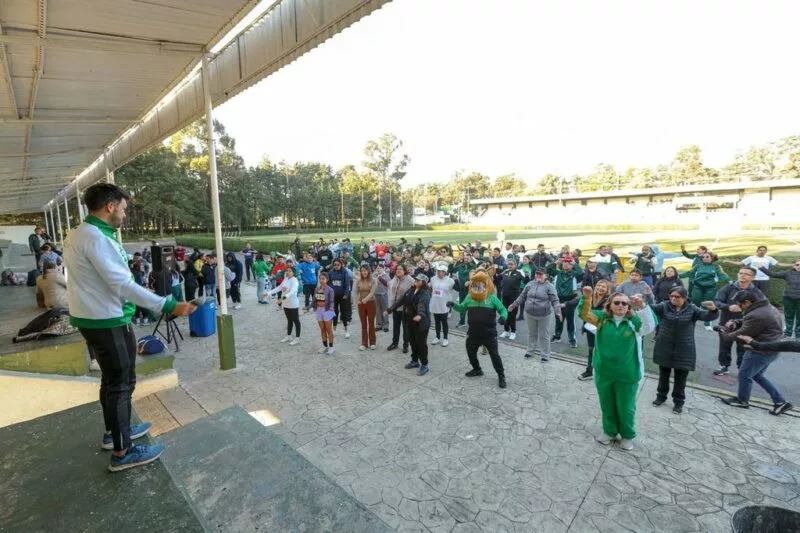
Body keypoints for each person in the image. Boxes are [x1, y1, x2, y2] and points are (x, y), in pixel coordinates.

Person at [63, 183, 195, 472]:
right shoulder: (96, 239)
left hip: (92, 318)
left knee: (111, 381)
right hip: (107, 320)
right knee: (122, 384)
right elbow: (122, 284)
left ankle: (115, 433)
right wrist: (168, 305)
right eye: (123, 208)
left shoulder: (79, 233)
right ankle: (123, 452)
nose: (124, 214)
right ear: (110, 206)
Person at [580, 287, 656, 451]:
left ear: (629, 307)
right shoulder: (601, 319)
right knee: (606, 404)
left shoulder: (634, 321)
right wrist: (586, 298)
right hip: (603, 372)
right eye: (617, 302)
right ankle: (609, 431)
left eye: (625, 303)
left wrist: (642, 306)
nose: (621, 305)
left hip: (627, 374)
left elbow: (648, 327)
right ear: (610, 305)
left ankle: (628, 435)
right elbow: (585, 315)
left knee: (626, 407)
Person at [719, 291, 792, 415]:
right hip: (771, 349)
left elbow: (744, 332)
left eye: (740, 305)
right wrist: (736, 322)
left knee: (744, 375)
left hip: (759, 351)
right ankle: (780, 401)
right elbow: (749, 320)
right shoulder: (766, 307)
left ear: (747, 302)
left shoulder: (758, 314)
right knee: (756, 375)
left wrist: (724, 334)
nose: (739, 307)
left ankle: (742, 401)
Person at [650, 287, 718, 414]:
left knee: (681, 378)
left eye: (677, 296)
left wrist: (713, 309)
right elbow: (650, 308)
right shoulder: (664, 306)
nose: (673, 299)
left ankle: (678, 402)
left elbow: (707, 316)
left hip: (684, 349)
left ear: (685, 297)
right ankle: (661, 397)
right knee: (663, 375)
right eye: (672, 296)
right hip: (665, 346)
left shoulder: (692, 309)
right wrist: (645, 298)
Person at [451, 269, 507, 388]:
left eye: (481, 283)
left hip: (489, 333)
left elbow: (503, 309)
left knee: (494, 355)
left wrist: (503, 317)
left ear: (486, 284)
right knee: (470, 351)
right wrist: (453, 305)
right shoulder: (470, 297)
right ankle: (477, 369)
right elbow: (462, 308)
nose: (478, 286)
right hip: (473, 332)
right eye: (476, 283)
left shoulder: (492, 298)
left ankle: (501, 375)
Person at [713, 267, 764, 376]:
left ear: (753, 277)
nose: (742, 275)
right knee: (724, 347)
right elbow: (717, 301)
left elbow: (762, 308)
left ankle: (741, 369)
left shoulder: (756, 292)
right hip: (726, 323)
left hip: (746, 325)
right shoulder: (728, 288)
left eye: (746, 274)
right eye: (740, 273)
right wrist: (728, 307)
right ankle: (724, 366)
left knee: (742, 349)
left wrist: (747, 309)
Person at [508, 267, 561, 362]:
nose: (538, 276)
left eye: (540, 274)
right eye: (537, 273)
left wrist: (558, 312)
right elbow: (522, 296)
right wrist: (514, 305)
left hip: (544, 315)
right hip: (529, 314)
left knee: (544, 335)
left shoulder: (550, 286)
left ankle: (545, 355)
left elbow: (555, 300)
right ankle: (530, 351)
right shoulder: (530, 284)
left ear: (545, 275)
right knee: (532, 334)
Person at [387, 273, 432, 375]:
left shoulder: (425, 293)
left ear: (423, 282)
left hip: (421, 323)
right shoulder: (411, 290)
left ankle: (425, 364)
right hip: (410, 321)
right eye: (415, 279)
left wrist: (420, 315)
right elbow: (401, 301)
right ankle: (415, 361)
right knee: (412, 342)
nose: (415, 280)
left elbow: (422, 304)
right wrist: (390, 309)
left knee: (421, 344)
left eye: (418, 280)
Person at [679, 252, 729, 331]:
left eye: (707, 257)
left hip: (710, 288)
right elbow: (689, 272)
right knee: (695, 303)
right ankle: (689, 320)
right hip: (698, 287)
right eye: (703, 257)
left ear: (712, 258)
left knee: (707, 304)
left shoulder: (716, 266)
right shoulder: (698, 265)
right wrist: (678, 275)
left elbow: (722, 275)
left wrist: (729, 280)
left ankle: (707, 322)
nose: (704, 258)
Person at [577, 280, 613, 381]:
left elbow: (606, 314)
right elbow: (582, 309)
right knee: (591, 349)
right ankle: (589, 371)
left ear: (607, 289)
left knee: (602, 351)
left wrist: (590, 314)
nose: (600, 288)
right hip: (590, 328)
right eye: (599, 285)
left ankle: (604, 371)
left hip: (602, 329)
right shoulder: (590, 296)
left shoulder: (610, 300)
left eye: (603, 286)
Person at [757, 259, 800, 337]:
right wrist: (761, 267)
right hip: (788, 298)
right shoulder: (787, 273)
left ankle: (798, 334)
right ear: (793, 265)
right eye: (797, 265)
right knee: (788, 316)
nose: (799, 266)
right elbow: (773, 274)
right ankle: (788, 333)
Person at [551, 256, 582, 348]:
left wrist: (574, 263)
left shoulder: (574, 274)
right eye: (564, 262)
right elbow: (548, 269)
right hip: (558, 299)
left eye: (568, 263)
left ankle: (572, 339)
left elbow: (581, 273)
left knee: (570, 321)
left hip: (570, 300)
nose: (565, 264)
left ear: (571, 265)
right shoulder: (558, 273)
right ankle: (557, 336)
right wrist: (556, 262)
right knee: (558, 319)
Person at [266, 266, 301, 345]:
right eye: (287, 271)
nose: (288, 272)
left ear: (294, 273)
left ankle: (297, 338)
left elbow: (292, 292)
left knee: (296, 321)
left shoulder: (295, 280)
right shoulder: (286, 279)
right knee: (289, 320)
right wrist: (269, 292)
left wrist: (282, 299)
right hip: (286, 304)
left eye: (290, 271)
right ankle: (288, 336)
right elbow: (279, 288)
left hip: (293, 304)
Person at [387, 264, 414, 352]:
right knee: (396, 326)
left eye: (400, 269)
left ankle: (406, 345)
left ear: (405, 270)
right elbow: (389, 286)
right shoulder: (394, 278)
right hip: (395, 307)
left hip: (405, 308)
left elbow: (415, 290)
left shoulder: (410, 280)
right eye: (397, 269)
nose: (398, 271)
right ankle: (395, 343)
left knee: (405, 328)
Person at [353, 264, 377, 351]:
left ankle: (373, 342)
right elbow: (355, 291)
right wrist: (357, 301)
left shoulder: (374, 280)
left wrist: (365, 299)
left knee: (371, 323)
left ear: (369, 271)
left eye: (365, 270)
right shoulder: (358, 281)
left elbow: (372, 292)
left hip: (371, 303)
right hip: (361, 304)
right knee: (363, 324)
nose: (364, 272)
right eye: (362, 270)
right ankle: (364, 343)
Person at [499, 259, 525, 340]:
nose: (510, 265)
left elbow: (526, 281)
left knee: (512, 315)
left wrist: (526, 275)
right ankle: (506, 331)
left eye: (512, 264)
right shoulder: (505, 272)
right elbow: (497, 279)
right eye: (509, 264)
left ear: (515, 265)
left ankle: (513, 332)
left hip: (513, 297)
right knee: (505, 313)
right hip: (504, 296)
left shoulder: (519, 273)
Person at [430, 264, 455, 346]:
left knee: (444, 322)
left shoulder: (450, 280)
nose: (438, 272)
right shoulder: (433, 279)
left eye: (440, 271)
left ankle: (445, 338)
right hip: (435, 302)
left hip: (444, 303)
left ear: (444, 272)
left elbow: (452, 289)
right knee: (436, 321)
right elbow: (432, 288)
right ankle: (437, 337)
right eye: (437, 271)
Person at [328, 259, 353, 338]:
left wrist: (346, 294)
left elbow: (347, 283)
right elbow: (329, 283)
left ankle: (346, 330)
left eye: (338, 265)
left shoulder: (345, 272)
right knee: (334, 312)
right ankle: (334, 330)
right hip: (334, 295)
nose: (336, 266)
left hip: (343, 295)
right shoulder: (331, 272)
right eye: (335, 265)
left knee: (344, 312)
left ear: (341, 265)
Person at [314, 272, 336, 354]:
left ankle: (331, 347)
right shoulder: (317, 289)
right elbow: (314, 300)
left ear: (327, 279)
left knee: (329, 329)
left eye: (323, 278)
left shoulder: (330, 290)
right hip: (319, 311)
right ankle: (324, 346)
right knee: (322, 329)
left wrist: (330, 308)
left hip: (327, 311)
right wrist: (308, 307)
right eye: (320, 278)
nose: (321, 280)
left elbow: (331, 301)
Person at [374, 264, 391, 332]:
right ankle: (378, 324)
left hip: (384, 294)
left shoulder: (386, 276)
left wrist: (381, 279)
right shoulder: (374, 275)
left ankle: (385, 325)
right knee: (377, 309)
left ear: (383, 269)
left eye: (380, 268)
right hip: (376, 294)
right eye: (377, 268)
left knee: (385, 309)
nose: (378, 269)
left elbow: (388, 284)